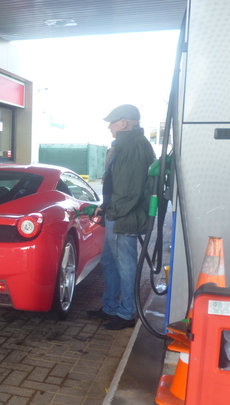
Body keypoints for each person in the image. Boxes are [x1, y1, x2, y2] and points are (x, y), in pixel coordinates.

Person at [87, 104, 156, 330]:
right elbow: (118, 184)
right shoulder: (126, 145)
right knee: (109, 263)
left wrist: (113, 211)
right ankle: (110, 307)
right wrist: (106, 207)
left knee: (125, 267)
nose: (109, 126)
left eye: (112, 122)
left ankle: (126, 314)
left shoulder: (134, 146)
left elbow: (129, 190)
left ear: (124, 123)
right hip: (117, 214)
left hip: (124, 218)